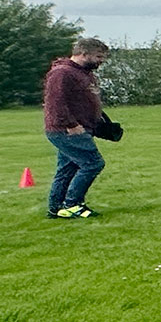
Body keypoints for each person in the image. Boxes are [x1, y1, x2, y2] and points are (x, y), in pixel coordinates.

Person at [42, 37, 112, 218]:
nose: (101, 61)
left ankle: (56, 208)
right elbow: (55, 102)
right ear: (83, 53)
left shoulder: (84, 73)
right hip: (67, 130)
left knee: (68, 169)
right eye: (98, 56)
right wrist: (71, 124)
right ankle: (73, 204)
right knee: (93, 164)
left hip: (82, 128)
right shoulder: (62, 73)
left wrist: (101, 123)